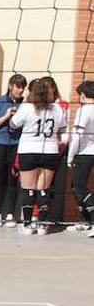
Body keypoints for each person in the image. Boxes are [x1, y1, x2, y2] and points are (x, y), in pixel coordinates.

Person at [11, 76, 65, 235]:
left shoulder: (27, 107)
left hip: (28, 150)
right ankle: (42, 225)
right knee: (43, 189)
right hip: (50, 151)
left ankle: (28, 225)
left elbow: (13, 124)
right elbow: (62, 128)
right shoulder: (57, 108)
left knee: (28, 189)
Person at [0, 73, 26, 225]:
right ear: (10, 86)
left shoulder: (25, 104)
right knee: (0, 178)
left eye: (23, 88)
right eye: (18, 87)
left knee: (13, 179)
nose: (20, 91)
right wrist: (7, 116)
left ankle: (10, 213)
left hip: (16, 144)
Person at [67, 80, 94, 234]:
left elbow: (77, 136)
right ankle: (86, 221)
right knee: (77, 187)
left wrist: (71, 156)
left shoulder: (84, 110)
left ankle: (91, 220)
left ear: (83, 95)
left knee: (78, 188)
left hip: (84, 153)